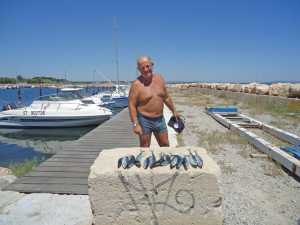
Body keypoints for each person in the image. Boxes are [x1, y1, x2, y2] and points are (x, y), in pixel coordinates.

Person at [128, 56, 179, 147]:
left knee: (165, 144)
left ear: (152, 65)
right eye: (142, 68)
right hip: (144, 120)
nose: (146, 70)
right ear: (138, 69)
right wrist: (135, 124)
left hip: (159, 119)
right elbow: (131, 105)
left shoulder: (160, 79)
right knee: (145, 146)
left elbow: (166, 97)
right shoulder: (136, 85)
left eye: (147, 66)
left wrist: (174, 111)